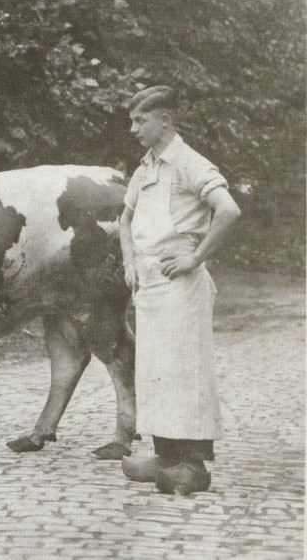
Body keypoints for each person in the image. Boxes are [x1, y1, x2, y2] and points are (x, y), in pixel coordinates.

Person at [118, 86, 241, 495]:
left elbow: (228, 210)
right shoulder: (145, 167)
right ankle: (164, 455)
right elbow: (125, 218)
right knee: (155, 372)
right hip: (150, 287)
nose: (133, 128)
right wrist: (129, 260)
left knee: (183, 372)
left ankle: (192, 465)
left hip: (181, 286)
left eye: (141, 120)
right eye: (133, 120)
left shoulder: (189, 163)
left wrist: (195, 257)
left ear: (166, 122)